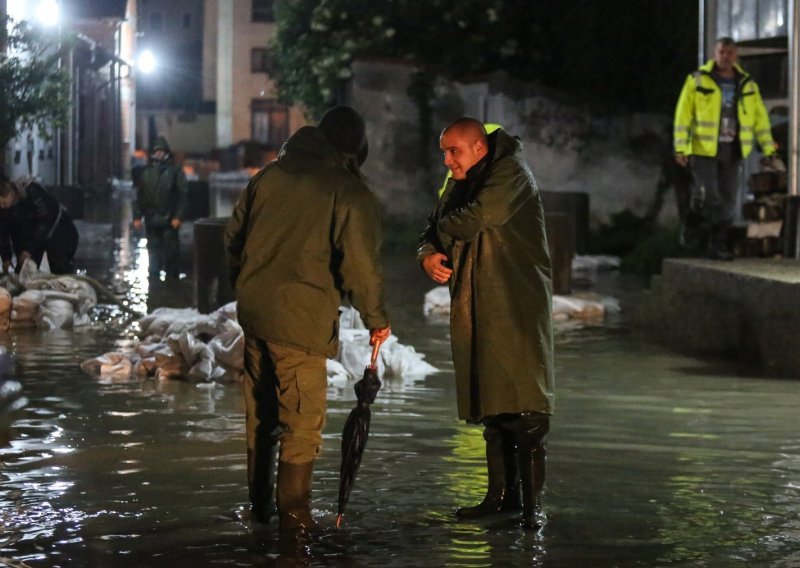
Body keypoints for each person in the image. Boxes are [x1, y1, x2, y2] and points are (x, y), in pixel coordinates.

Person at [224, 106, 391, 534]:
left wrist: (247, 287)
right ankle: (294, 527)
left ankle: (260, 512)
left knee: (261, 418)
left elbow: (233, 238)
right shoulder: (347, 191)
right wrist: (376, 319)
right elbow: (361, 268)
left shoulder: (268, 176)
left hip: (256, 315)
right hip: (300, 322)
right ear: (355, 150)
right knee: (300, 423)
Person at [417, 117, 554, 530]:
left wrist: (439, 229)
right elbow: (435, 225)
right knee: (492, 407)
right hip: (477, 302)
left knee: (527, 410)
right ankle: (500, 498)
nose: (447, 161)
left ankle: (531, 511)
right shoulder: (461, 178)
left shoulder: (511, 172)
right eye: (444, 152)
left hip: (516, 304)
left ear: (479, 147)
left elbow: (475, 217)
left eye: (453, 151)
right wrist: (427, 252)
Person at [673, 36, 778, 260]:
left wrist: (769, 149)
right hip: (703, 149)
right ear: (715, 53)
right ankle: (692, 222)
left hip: (734, 149)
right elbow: (683, 116)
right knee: (709, 196)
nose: (725, 57)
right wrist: (681, 148)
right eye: (721, 52)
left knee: (728, 200)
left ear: (736, 55)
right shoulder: (698, 80)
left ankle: (717, 246)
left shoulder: (747, 83)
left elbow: (760, 119)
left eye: (730, 53)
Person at [0, 174, 79, 275]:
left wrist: (28, 250)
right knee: (23, 271)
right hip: (33, 237)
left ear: (10, 194)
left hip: (59, 235)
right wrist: (6, 258)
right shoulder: (6, 210)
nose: (2, 207)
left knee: (60, 269)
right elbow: (4, 232)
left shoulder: (33, 194)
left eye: (3, 203)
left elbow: (46, 222)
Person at [132, 137, 188, 278]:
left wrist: (178, 216)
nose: (158, 154)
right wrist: (137, 216)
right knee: (154, 254)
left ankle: (171, 283)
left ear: (166, 153)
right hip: (152, 219)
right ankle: (155, 284)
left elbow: (182, 196)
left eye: (161, 151)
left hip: (169, 220)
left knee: (171, 255)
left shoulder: (175, 172)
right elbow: (140, 196)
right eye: (156, 151)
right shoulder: (146, 173)